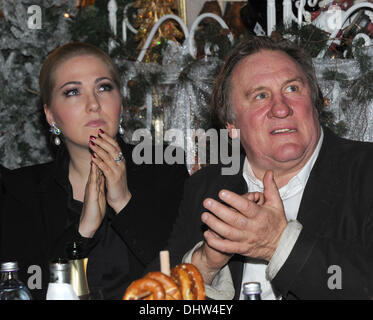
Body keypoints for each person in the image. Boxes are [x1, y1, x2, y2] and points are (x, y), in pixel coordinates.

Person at [162, 36, 373, 299]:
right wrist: (205, 266)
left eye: (292, 89)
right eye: (260, 95)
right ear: (231, 125)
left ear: (314, 103)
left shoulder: (365, 172)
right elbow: (154, 297)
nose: (281, 108)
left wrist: (279, 244)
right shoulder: (207, 188)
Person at [0, 42, 189, 300]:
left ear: (120, 105)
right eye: (72, 92)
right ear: (50, 115)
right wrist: (82, 233)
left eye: (104, 87)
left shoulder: (165, 170)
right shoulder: (21, 191)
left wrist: (124, 203)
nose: (93, 104)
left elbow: (183, 275)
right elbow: (25, 289)